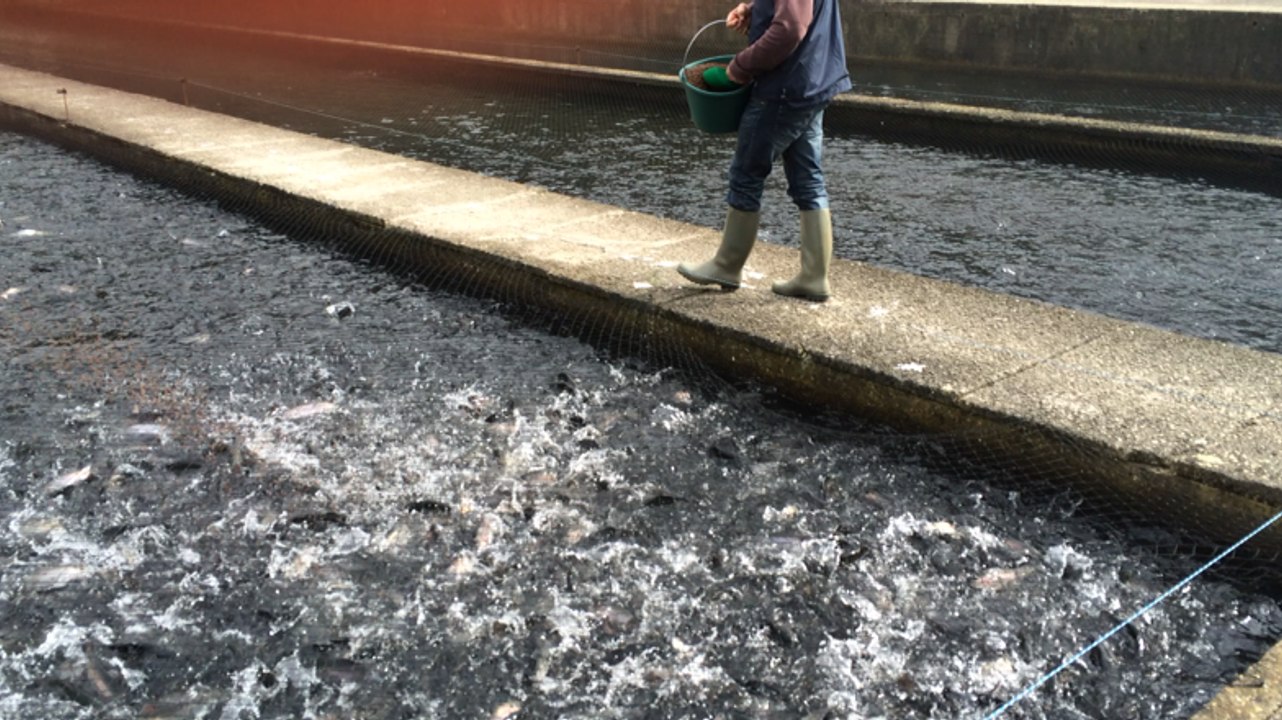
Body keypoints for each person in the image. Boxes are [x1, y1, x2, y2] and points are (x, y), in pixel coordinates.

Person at [677, 0, 852, 302]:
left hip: (782, 89)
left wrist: (738, 69)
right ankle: (814, 277)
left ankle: (727, 265)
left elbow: (790, 28)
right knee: (808, 179)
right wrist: (754, 9)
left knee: (746, 173)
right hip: (812, 81)